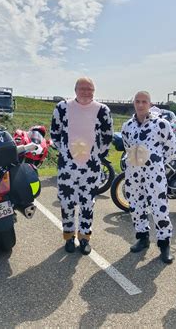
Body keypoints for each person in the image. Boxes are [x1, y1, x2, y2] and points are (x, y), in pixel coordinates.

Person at [50, 77, 113, 255]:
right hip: (67, 166)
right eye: (82, 88)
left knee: (88, 204)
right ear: (75, 90)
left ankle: (84, 238)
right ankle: (69, 237)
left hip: (91, 167)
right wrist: (66, 152)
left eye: (89, 89)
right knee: (66, 202)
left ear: (94, 91)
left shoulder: (102, 110)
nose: (86, 92)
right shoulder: (62, 108)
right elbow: (54, 133)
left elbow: (107, 136)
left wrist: (94, 153)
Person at [121, 91, 176, 264]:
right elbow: (126, 145)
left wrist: (157, 162)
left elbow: (171, 146)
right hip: (133, 174)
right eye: (137, 101)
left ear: (150, 103)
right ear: (134, 103)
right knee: (136, 207)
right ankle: (143, 238)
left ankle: (164, 244)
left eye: (144, 101)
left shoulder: (161, 124)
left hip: (154, 175)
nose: (140, 104)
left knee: (159, 209)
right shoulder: (127, 126)